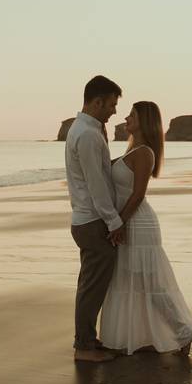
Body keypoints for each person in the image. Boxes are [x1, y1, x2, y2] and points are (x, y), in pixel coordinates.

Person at [99, 101, 192, 355]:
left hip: (138, 224)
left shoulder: (145, 153)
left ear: (144, 120)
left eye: (132, 115)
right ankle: (133, 337)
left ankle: (184, 332)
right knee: (130, 280)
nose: (126, 118)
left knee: (151, 284)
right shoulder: (133, 151)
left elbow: (138, 194)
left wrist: (118, 222)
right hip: (127, 221)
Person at [64, 76, 126, 362]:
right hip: (92, 221)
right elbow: (96, 184)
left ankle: (87, 341)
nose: (114, 111)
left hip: (85, 218)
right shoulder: (87, 134)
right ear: (97, 101)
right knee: (92, 287)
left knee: (90, 284)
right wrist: (114, 221)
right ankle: (84, 348)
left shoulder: (88, 129)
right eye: (112, 104)